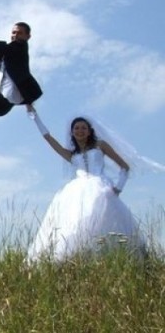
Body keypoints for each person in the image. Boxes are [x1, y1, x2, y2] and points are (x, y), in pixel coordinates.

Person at [26, 108, 146, 262]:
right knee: (76, 224)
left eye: (84, 128)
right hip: (76, 192)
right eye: (76, 128)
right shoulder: (71, 155)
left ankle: (110, 259)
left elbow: (124, 167)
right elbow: (48, 137)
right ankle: (80, 260)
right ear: (72, 132)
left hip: (101, 189)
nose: (80, 131)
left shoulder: (100, 146)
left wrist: (117, 189)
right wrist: (34, 116)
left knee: (104, 225)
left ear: (89, 131)